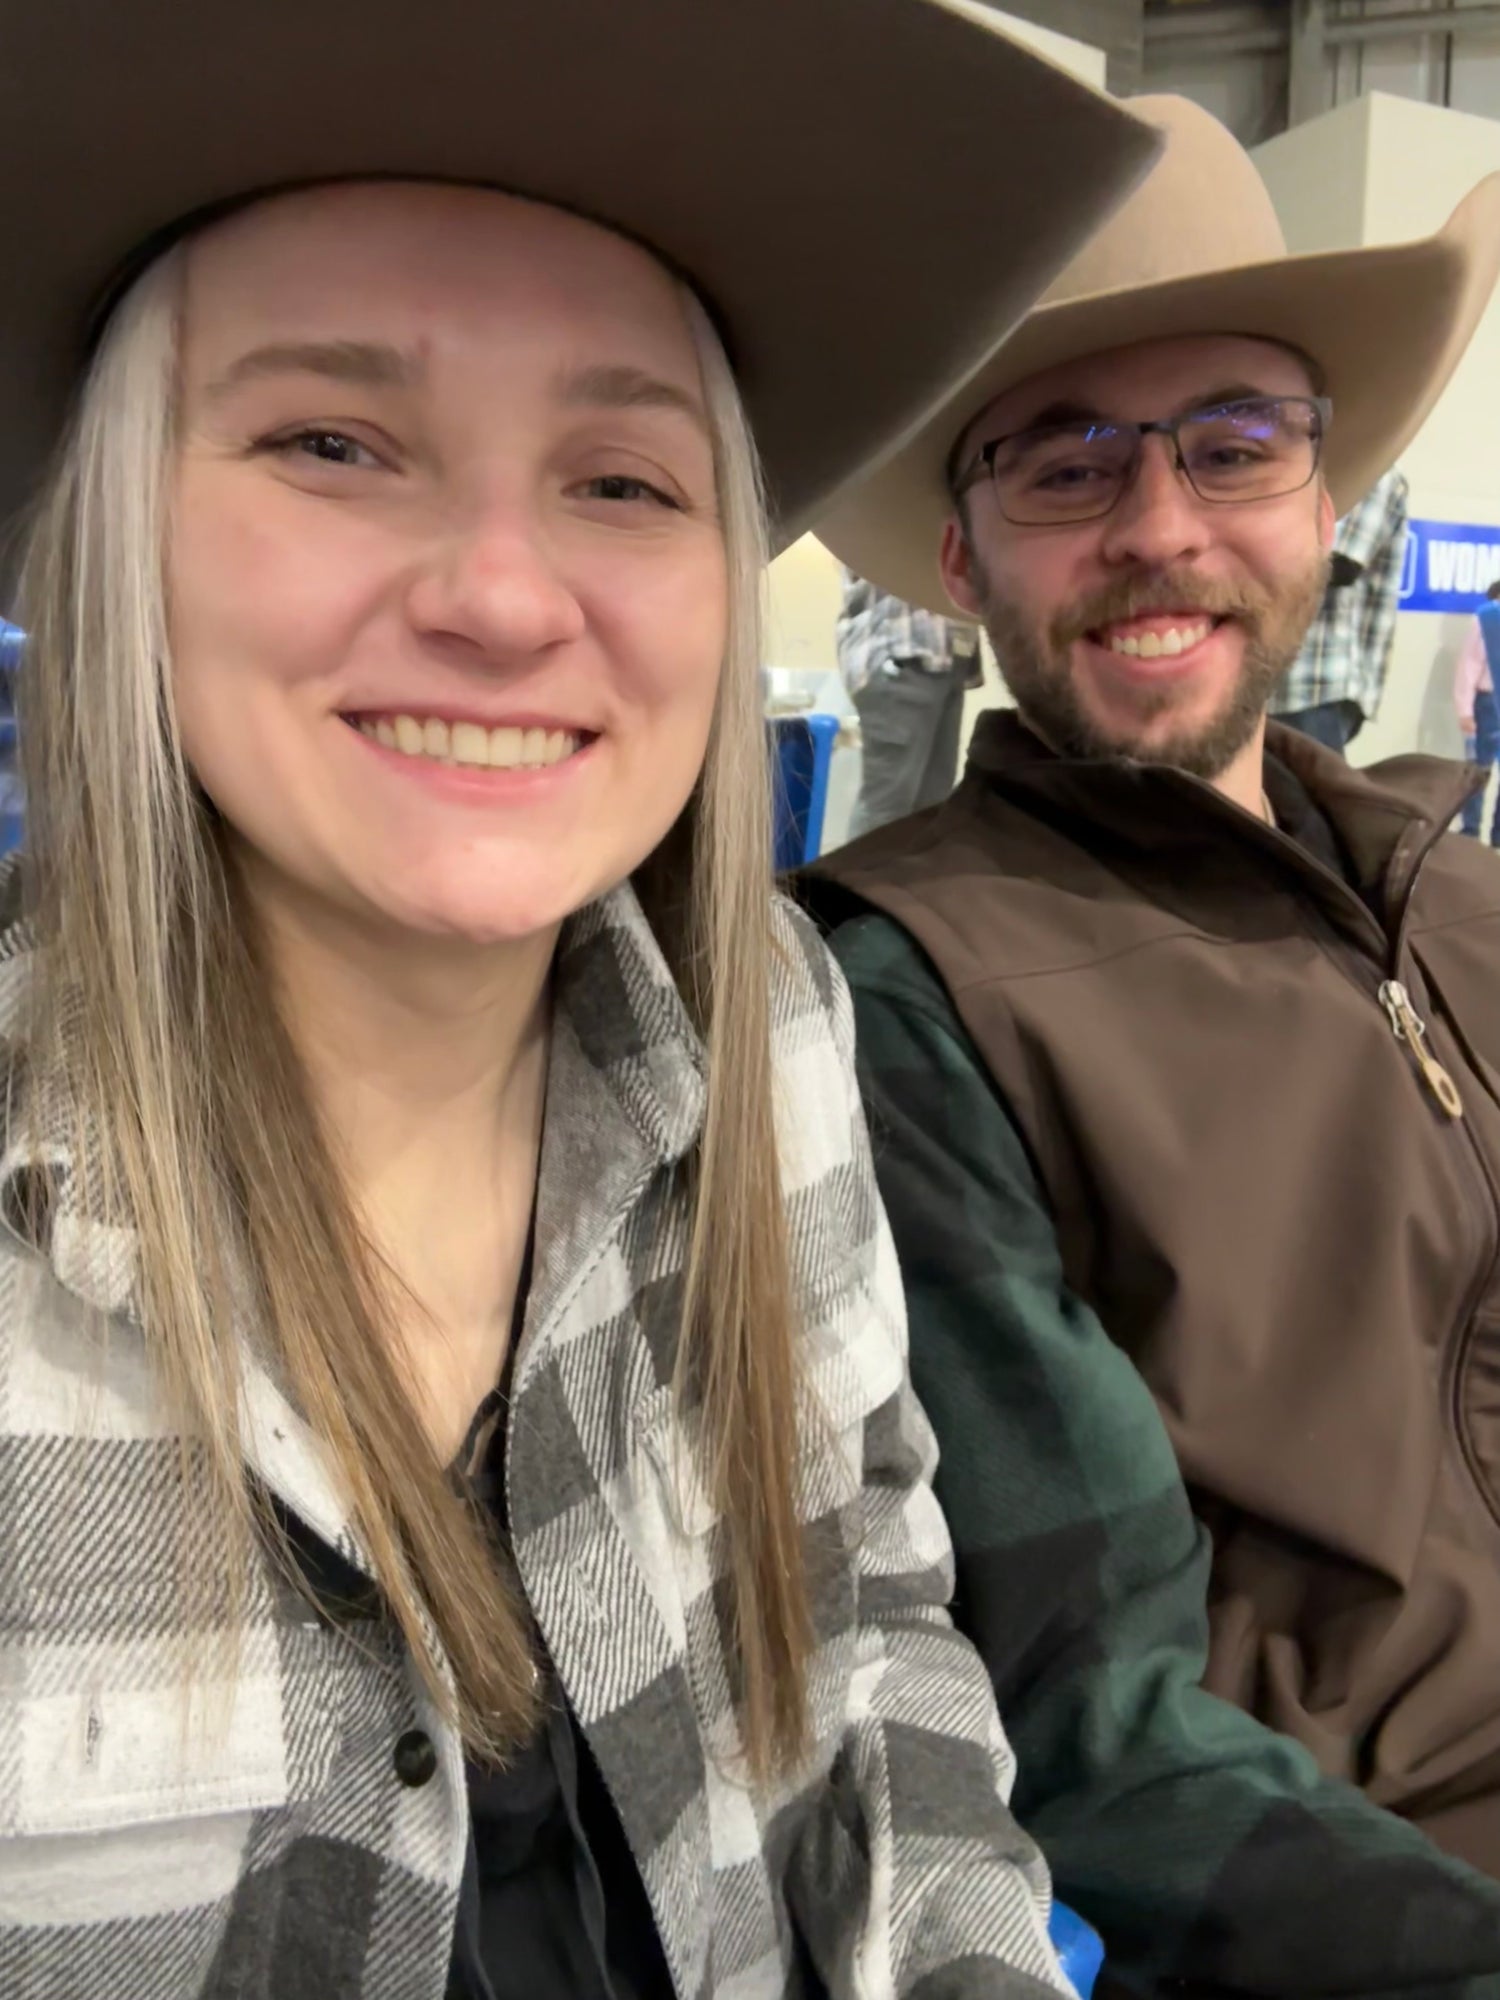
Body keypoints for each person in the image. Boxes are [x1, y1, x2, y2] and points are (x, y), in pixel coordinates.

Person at [0, 6, 1158, 1996]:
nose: (509, 595)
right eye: (332, 442)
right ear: (121, 531)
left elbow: (869, 1616)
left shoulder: (769, 1022)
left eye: (624, 479)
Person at [806, 96, 1500, 1996]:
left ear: (1324, 501)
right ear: (959, 559)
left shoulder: (1465, 899)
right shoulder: (906, 990)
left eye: (1231, 443)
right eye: (1070, 467)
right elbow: (1093, 1710)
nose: (1163, 527)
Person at [1270, 465, 1410, 754]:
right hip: (1268, 686)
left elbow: (1337, 565)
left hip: (1314, 684)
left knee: (1304, 797)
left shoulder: (1371, 470)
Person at [837, 567, 981, 837]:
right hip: (902, 653)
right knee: (886, 811)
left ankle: (900, 880)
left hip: (948, 658)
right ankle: (861, 880)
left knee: (931, 809)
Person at [1456, 578, 1500, 839]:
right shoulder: (1486, 619)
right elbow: (1469, 665)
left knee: (1479, 770)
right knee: (1479, 770)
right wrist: (1465, 709)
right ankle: (1471, 830)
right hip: (1489, 703)